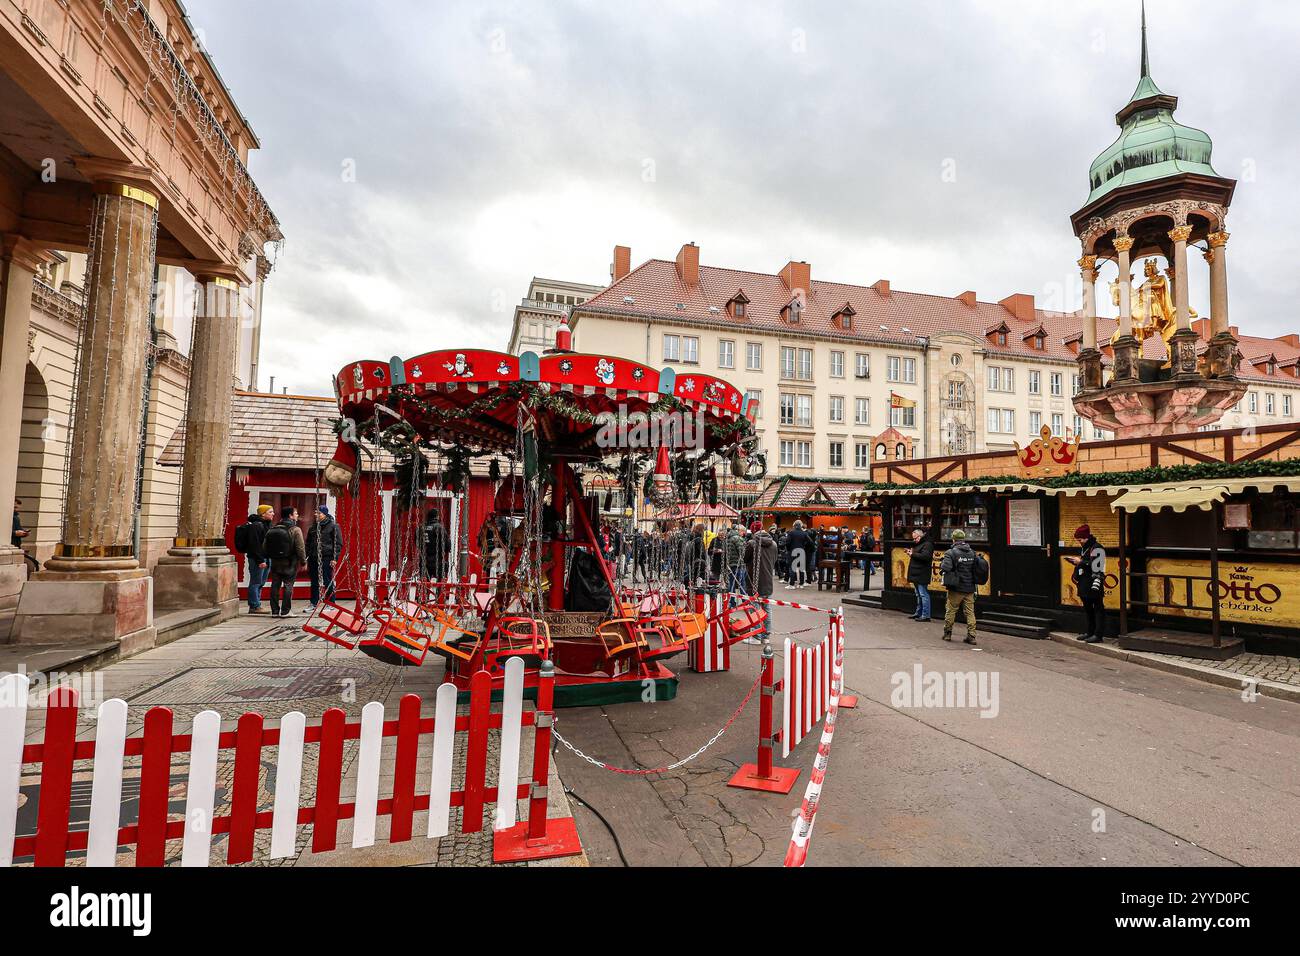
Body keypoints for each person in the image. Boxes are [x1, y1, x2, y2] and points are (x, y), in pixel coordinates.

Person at [940, 529, 985, 645]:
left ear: (954, 539)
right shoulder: (972, 552)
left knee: (951, 610)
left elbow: (945, 568)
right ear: (964, 539)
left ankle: (947, 633)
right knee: (970, 612)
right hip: (970, 587)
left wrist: (942, 563)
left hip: (956, 588)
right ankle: (972, 636)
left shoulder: (950, 552)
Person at [1066, 524, 1107, 643]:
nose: (1079, 542)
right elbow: (1087, 563)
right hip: (1084, 583)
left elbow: (1098, 566)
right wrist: (1077, 563)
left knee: (1098, 609)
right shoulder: (1085, 548)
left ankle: (1098, 635)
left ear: (1086, 537)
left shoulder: (1097, 548)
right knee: (1088, 609)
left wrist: (1081, 562)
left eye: (1080, 539)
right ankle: (1090, 632)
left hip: (1094, 583)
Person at [264, 506, 306, 618]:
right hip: (290, 562)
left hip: (275, 562)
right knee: (288, 585)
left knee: (275, 586)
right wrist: (303, 561)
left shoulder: (272, 528)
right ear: (290, 516)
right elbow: (300, 548)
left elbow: (265, 546)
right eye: (296, 513)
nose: (297, 515)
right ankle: (286, 611)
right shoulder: (295, 529)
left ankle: (274, 611)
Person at [743, 520, 777, 644]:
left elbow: (745, 558)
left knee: (755, 608)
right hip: (768, 580)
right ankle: (766, 636)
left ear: (753, 531)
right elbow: (774, 560)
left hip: (754, 580)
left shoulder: (752, 544)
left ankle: (756, 635)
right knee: (767, 608)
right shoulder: (773, 544)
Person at [305, 504, 342, 612]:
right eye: (315, 512)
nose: (316, 514)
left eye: (319, 513)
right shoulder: (313, 527)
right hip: (313, 557)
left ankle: (330, 603)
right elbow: (308, 543)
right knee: (314, 581)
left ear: (324, 514)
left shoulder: (333, 526)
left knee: (327, 580)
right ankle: (313, 603)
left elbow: (338, 544)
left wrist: (335, 558)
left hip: (326, 556)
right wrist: (307, 555)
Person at [233, 506, 271, 614]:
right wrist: (260, 560)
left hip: (265, 557)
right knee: (256, 581)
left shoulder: (265, 524)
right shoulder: (256, 526)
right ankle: (254, 605)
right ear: (263, 514)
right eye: (270, 512)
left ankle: (257, 603)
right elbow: (254, 544)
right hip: (257, 558)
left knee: (261, 582)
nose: (273, 514)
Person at [905, 527, 935, 622]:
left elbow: (925, 557)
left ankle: (926, 615)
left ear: (920, 536)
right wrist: (911, 552)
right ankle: (918, 613)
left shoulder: (928, 544)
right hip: (916, 572)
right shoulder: (920, 544)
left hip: (922, 573)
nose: (914, 540)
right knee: (918, 594)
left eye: (915, 538)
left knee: (923, 594)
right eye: (913, 539)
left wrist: (912, 554)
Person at [11, 498, 39, 575]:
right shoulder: (9, 517)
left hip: (16, 545)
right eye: (15, 507)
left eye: (17, 508)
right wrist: (14, 533)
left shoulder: (16, 517)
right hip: (11, 545)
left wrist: (24, 533)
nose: (16, 510)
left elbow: (17, 529)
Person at [424, 507, 451, 580]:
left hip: (425, 558)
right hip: (437, 559)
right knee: (439, 582)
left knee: (426, 581)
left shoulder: (422, 527)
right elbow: (447, 543)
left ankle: (426, 591)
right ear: (437, 516)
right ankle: (437, 591)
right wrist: (447, 549)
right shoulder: (439, 527)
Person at [785, 520, 812, 588]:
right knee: (801, 568)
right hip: (801, 551)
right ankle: (801, 584)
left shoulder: (791, 532)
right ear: (801, 525)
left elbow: (787, 542)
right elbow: (811, 542)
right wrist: (804, 546)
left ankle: (792, 584)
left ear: (794, 525)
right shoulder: (804, 533)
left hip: (793, 551)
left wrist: (789, 549)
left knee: (792, 568)